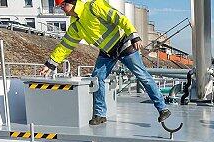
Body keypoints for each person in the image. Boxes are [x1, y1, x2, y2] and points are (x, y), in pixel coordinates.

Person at [41, 0, 171, 126]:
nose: (61, 8)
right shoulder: (75, 25)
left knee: (142, 75)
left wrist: (134, 35)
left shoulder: (93, 7)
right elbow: (65, 46)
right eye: (60, 6)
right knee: (97, 78)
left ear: (72, 2)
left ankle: (162, 109)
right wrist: (50, 64)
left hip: (123, 45)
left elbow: (119, 17)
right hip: (107, 52)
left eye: (62, 5)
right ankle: (100, 114)